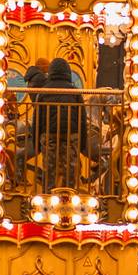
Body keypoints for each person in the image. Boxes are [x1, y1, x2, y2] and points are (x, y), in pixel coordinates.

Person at [36, 57, 87, 186]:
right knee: (71, 168)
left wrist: (36, 143)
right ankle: (69, 197)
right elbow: (82, 119)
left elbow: (37, 119)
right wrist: (82, 143)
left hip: (49, 134)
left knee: (49, 168)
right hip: (71, 134)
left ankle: (48, 197)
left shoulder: (43, 92)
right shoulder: (75, 92)